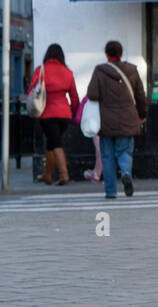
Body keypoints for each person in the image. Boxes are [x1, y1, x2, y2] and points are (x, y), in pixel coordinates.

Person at [85, 40, 147, 199]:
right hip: (127, 119)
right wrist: (142, 114)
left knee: (107, 156)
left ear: (107, 54)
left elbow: (92, 94)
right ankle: (126, 173)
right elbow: (141, 96)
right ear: (121, 53)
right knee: (124, 151)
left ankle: (111, 191)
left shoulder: (100, 71)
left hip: (106, 121)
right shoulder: (132, 71)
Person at [28, 44, 80, 185]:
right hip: (64, 114)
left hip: (47, 114)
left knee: (56, 143)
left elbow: (32, 89)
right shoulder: (67, 72)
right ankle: (47, 175)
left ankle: (64, 175)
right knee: (51, 144)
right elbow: (74, 97)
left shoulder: (41, 70)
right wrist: (75, 115)